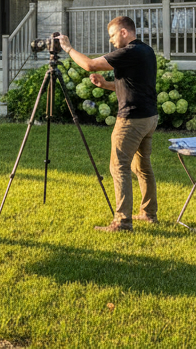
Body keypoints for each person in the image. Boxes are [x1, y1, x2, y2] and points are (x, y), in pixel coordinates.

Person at [59, 16, 159, 232]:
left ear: (124, 32)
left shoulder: (129, 51)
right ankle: (149, 214)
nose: (111, 41)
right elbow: (132, 87)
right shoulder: (146, 51)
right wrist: (105, 84)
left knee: (119, 166)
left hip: (131, 120)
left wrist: (68, 49)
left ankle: (122, 222)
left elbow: (90, 65)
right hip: (149, 118)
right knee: (142, 167)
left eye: (113, 36)